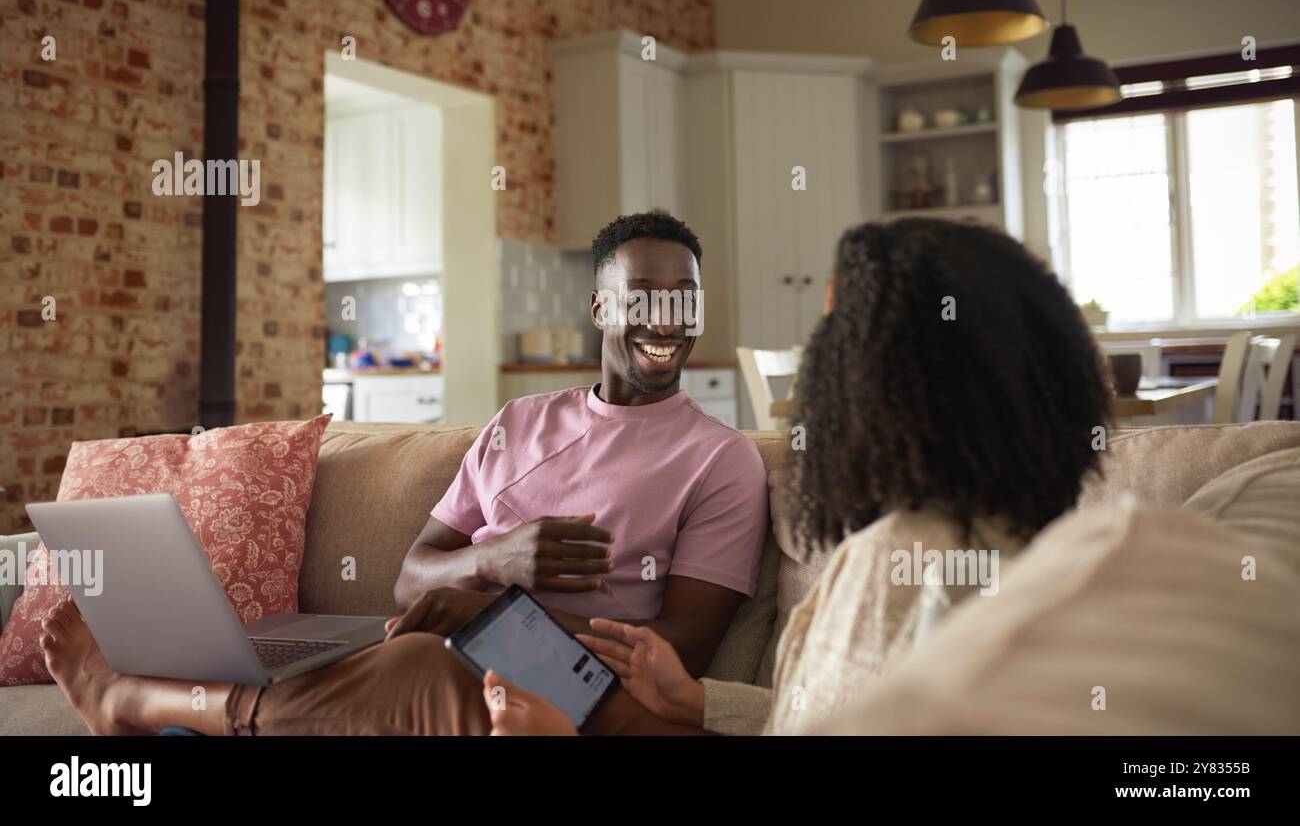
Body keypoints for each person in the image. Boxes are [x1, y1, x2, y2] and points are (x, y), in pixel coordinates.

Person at [40, 212, 770, 735]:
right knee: (330, 650)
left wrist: (499, 615)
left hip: (589, 686)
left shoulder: (721, 458)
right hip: (455, 645)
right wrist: (493, 563)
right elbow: (411, 577)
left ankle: (142, 706)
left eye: (686, 297)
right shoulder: (518, 422)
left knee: (422, 670)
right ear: (600, 306)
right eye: (644, 295)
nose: (668, 319)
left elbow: (682, 654)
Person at [480, 217, 1112, 735]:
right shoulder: (1092, 538)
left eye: (835, 339)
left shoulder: (904, 564)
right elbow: (840, 717)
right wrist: (699, 704)